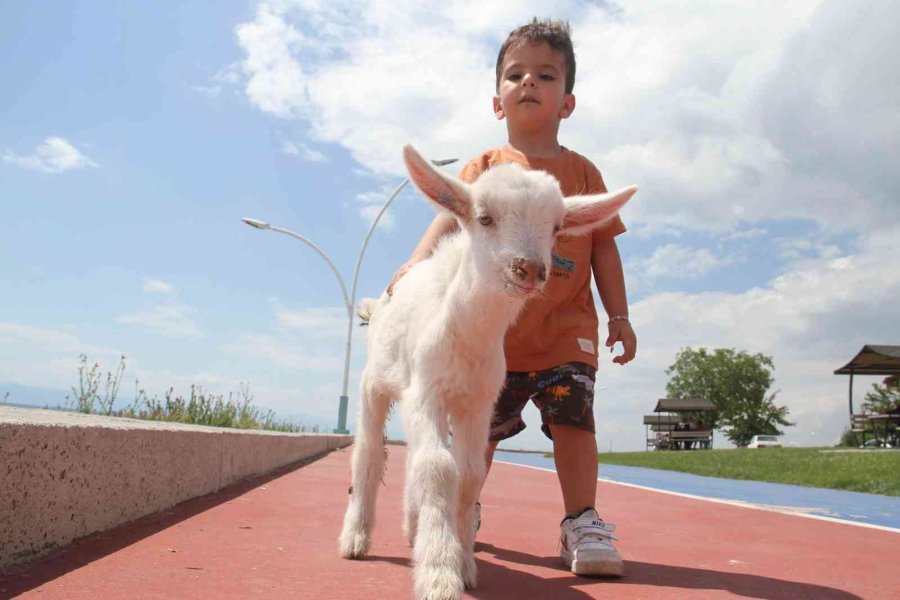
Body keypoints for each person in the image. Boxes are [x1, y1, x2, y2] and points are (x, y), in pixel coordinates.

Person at [387, 18, 636, 577]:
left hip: (565, 330)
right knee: (482, 429)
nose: (528, 83)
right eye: (515, 74)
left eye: (545, 75)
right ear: (497, 100)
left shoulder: (581, 172)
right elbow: (451, 221)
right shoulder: (483, 168)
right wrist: (412, 264)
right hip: (493, 339)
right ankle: (464, 507)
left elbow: (603, 248)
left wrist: (619, 315)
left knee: (574, 420)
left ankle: (582, 519)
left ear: (567, 102)